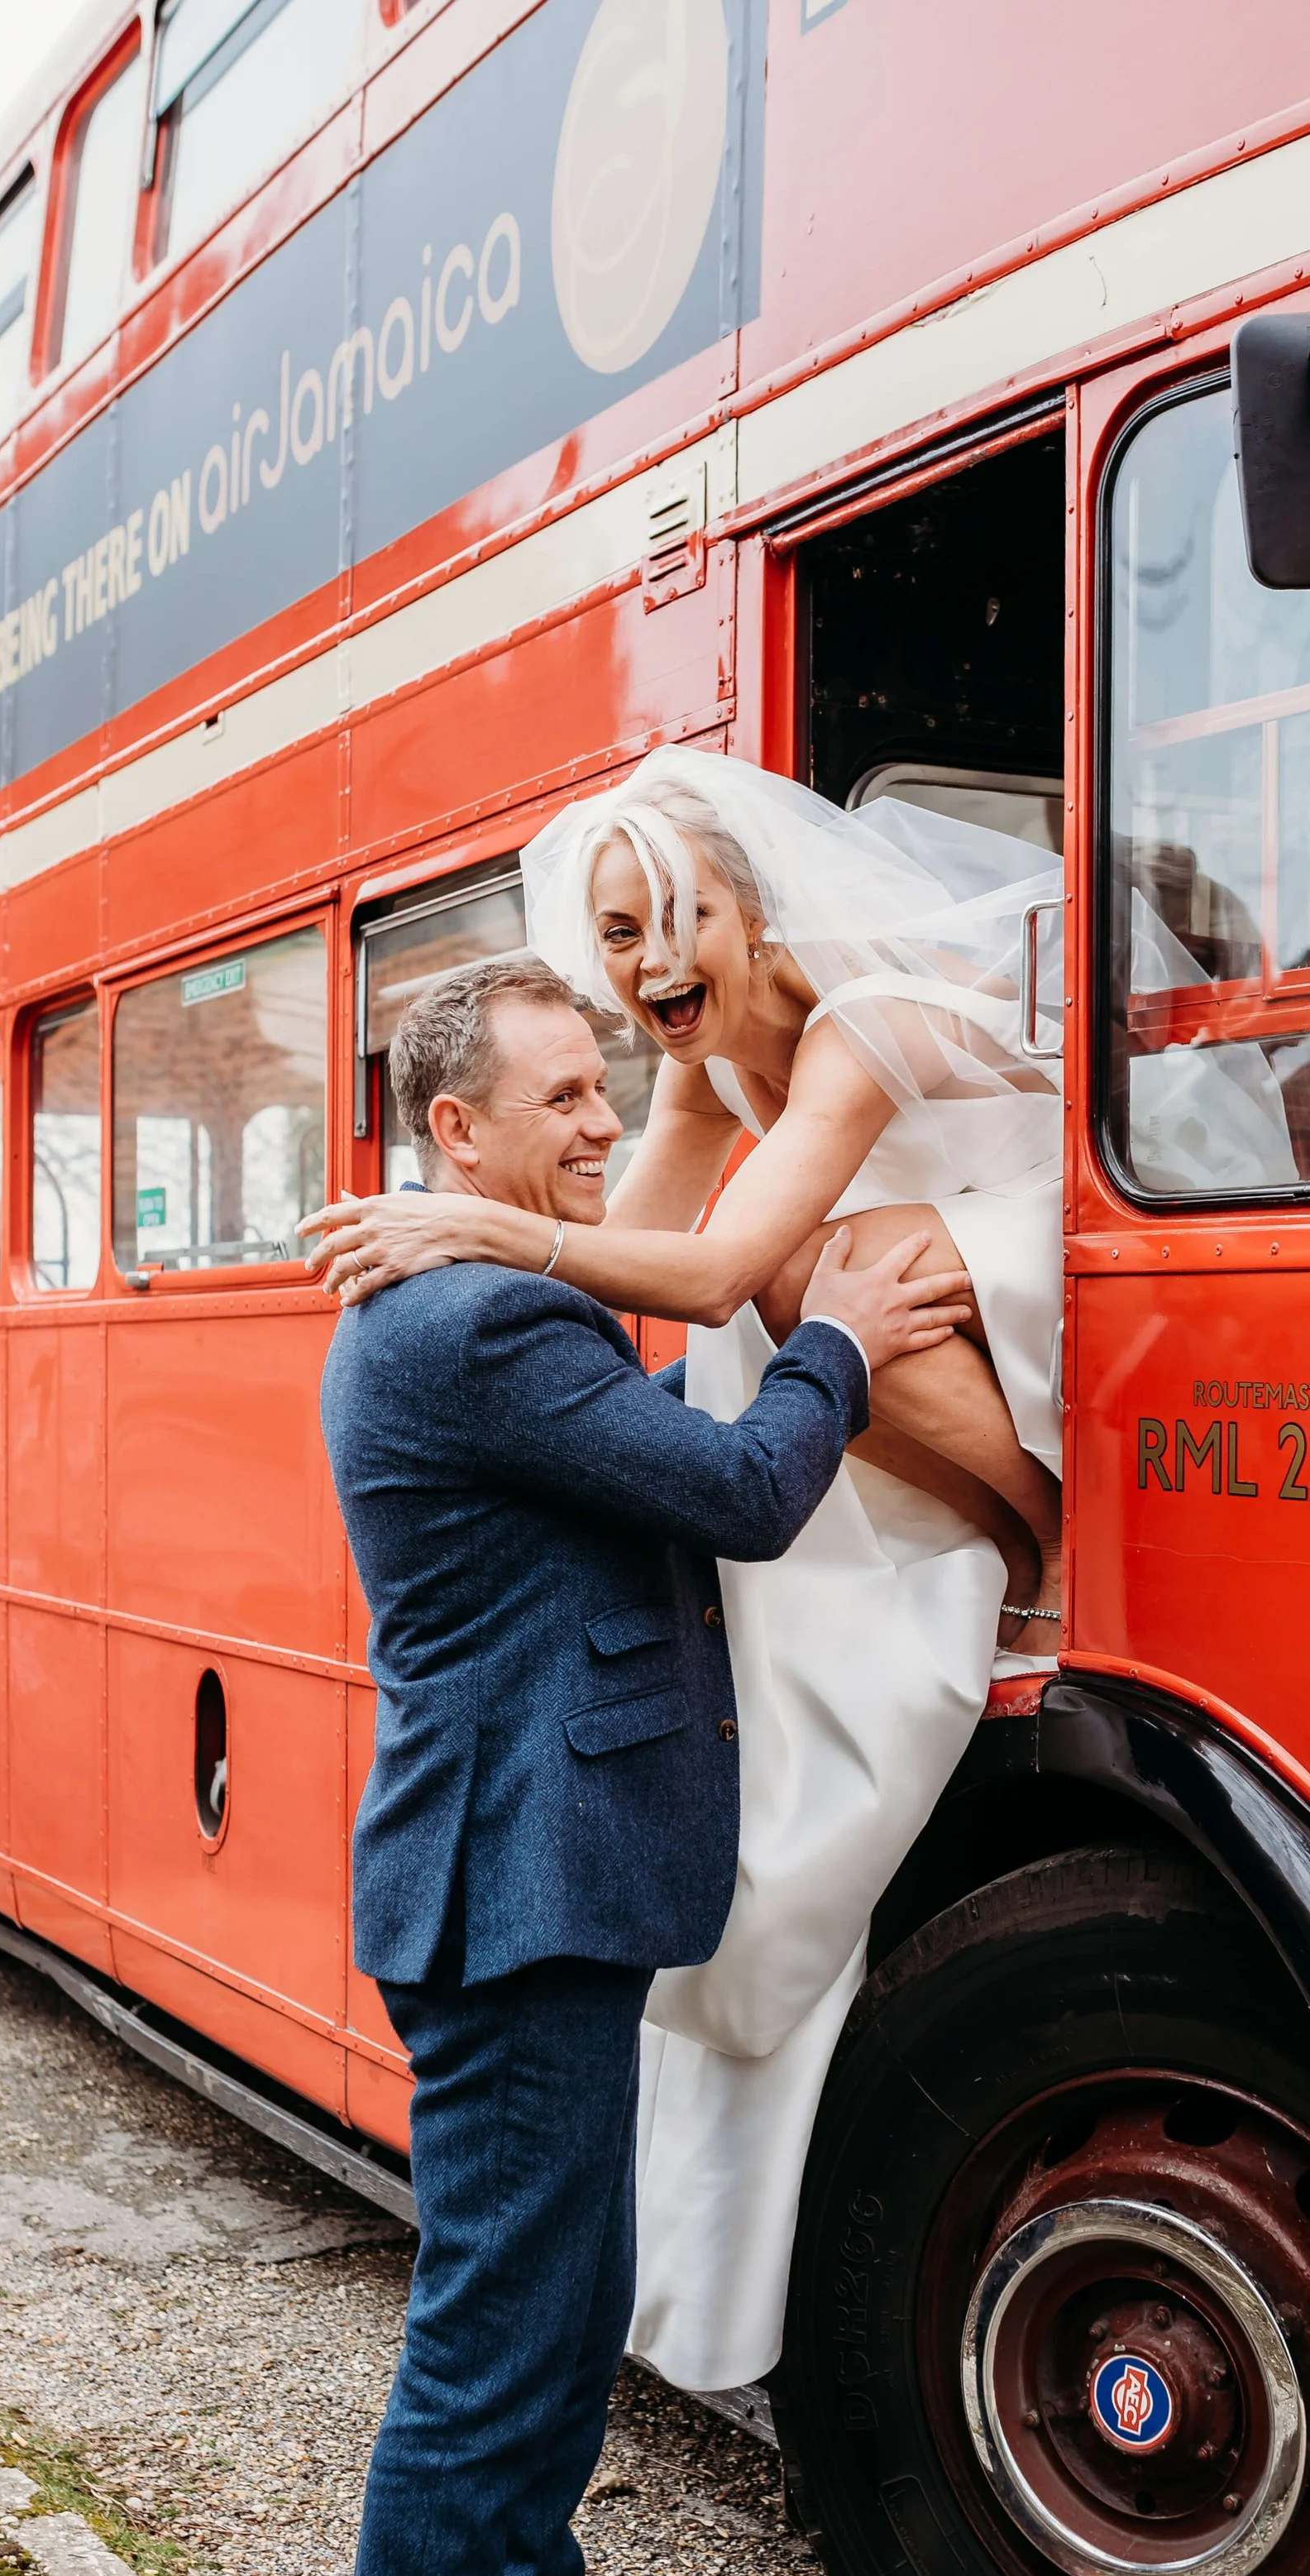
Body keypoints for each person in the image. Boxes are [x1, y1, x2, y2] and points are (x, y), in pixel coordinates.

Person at [313, 948, 969, 2576]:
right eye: (560, 1094)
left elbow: (662, 1222)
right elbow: (746, 1492)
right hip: (512, 1896)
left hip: (553, 1879)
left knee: (559, 2326)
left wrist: (697, 1091)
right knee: (489, 2364)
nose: (601, 1121)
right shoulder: (472, 1325)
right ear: (454, 1131)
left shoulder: (501, 1285)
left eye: (606, 1083)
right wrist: (836, 1337)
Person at [303, 754, 1064, 2401]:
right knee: (780, 1317)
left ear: (754, 907)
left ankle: (1036, 1524)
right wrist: (509, 1251)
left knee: (798, 1269)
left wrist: (480, 1229)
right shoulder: (706, 1067)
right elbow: (628, 1300)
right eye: (617, 934)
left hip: (1018, 1258)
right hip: (889, 1326)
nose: (649, 968)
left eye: (675, 923)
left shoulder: (865, 1018)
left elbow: (709, 1267)